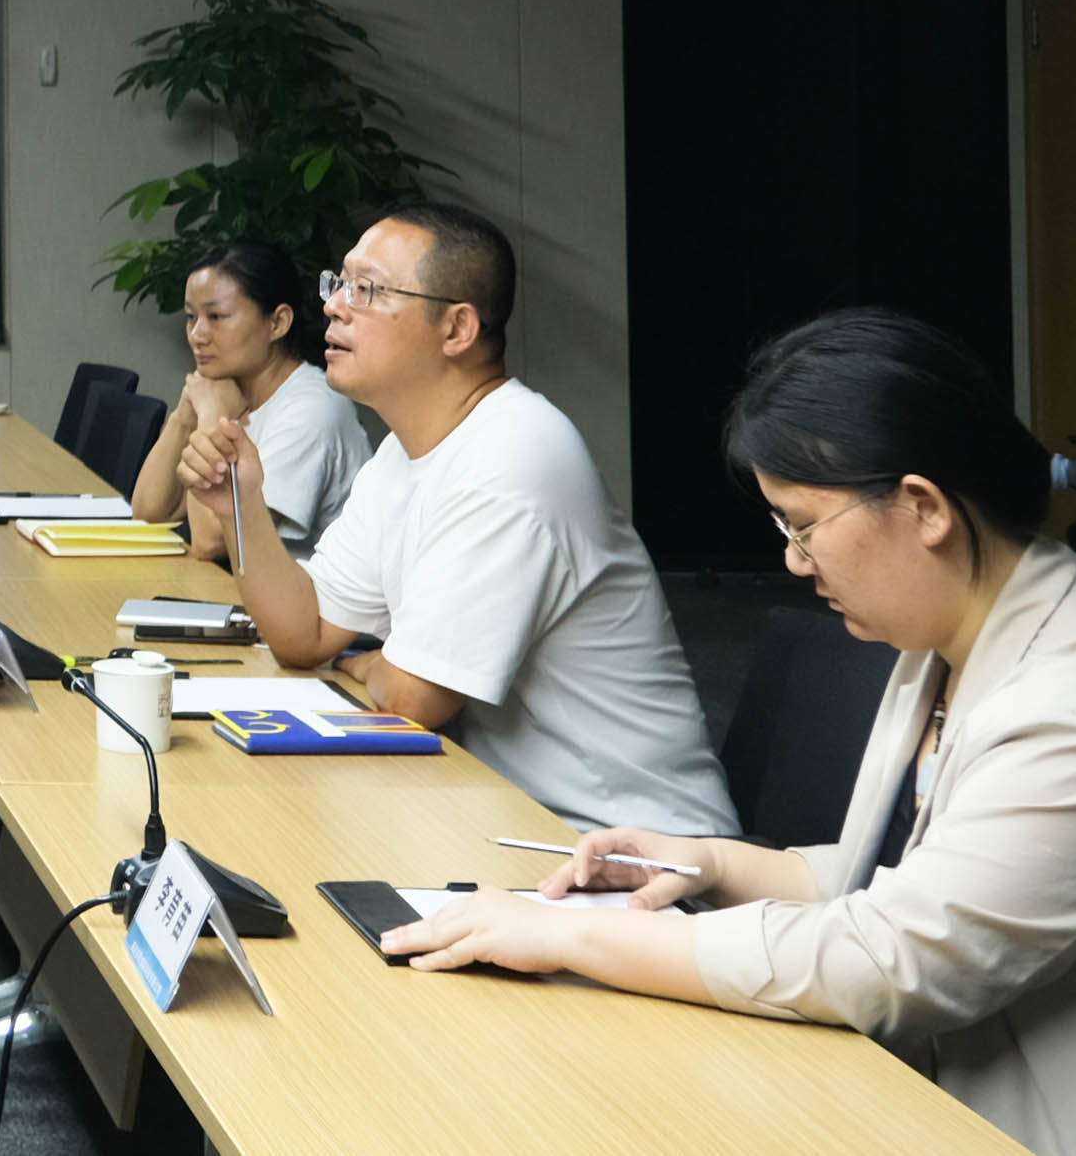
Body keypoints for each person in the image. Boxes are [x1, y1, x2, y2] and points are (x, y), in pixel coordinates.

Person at [387, 308, 1076, 1156]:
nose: (795, 562)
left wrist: (564, 936)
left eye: (803, 525)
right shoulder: (962, 628)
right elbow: (902, 880)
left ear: (923, 508)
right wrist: (709, 863)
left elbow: (888, 961)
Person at [196, 200, 734, 834]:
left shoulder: (513, 455)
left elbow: (411, 700)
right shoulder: (405, 450)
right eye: (338, 283)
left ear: (456, 329)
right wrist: (240, 505)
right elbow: (303, 633)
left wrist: (372, 662)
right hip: (499, 808)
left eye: (367, 289)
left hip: (627, 842)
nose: (335, 306)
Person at [128, 239, 366, 557]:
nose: (197, 335)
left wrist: (212, 417)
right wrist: (185, 415)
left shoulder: (312, 409)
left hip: (302, 590)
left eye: (216, 316)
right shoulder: (227, 389)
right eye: (191, 317)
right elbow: (147, 515)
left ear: (277, 323)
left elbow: (212, 541)